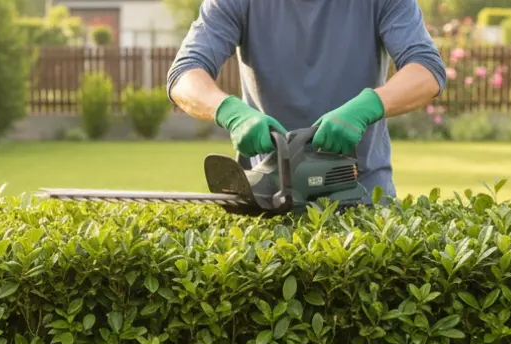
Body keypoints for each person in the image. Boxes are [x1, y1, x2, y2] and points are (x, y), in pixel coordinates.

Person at [167, 0, 446, 201]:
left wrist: (367, 106)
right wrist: (230, 111)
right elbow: (185, 74)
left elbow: (426, 69)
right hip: (270, 197)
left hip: (360, 194)